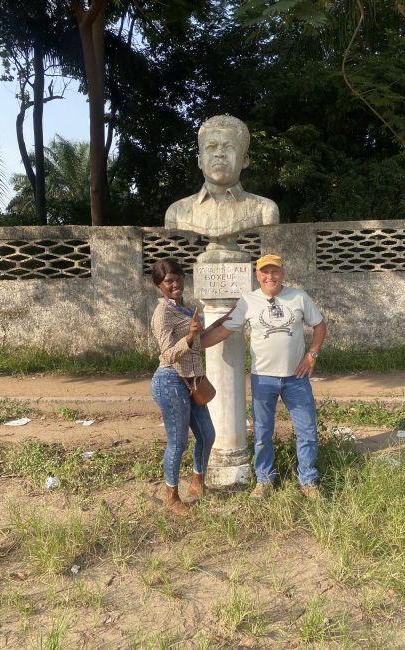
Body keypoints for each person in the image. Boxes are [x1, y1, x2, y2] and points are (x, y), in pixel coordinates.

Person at [201, 254, 327, 498]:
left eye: (275, 271)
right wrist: (193, 345)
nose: (271, 276)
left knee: (307, 430)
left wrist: (312, 354)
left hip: (296, 377)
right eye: (265, 272)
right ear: (257, 275)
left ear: (283, 273)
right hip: (263, 378)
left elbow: (319, 325)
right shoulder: (248, 301)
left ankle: (308, 480)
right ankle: (265, 480)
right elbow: (224, 331)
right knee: (262, 434)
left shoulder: (299, 297)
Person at [150, 258, 215, 515]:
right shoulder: (163, 313)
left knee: (207, 435)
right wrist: (189, 336)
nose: (175, 284)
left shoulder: (184, 308)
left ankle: (198, 484)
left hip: (190, 380)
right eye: (169, 281)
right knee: (178, 442)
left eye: (178, 278)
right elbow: (167, 355)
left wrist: (229, 323)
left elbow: (201, 343)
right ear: (159, 285)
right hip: (170, 380)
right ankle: (171, 496)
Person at [165, 115, 279, 240]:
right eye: (211, 147)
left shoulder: (265, 209)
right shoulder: (176, 212)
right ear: (200, 161)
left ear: (245, 160)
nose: (219, 154)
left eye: (229, 147)